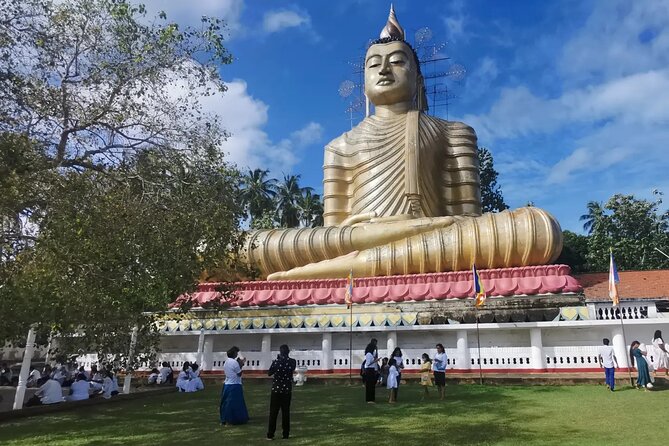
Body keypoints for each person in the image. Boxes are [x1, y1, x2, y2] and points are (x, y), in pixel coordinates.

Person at [244, 6, 562, 281]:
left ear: (418, 78)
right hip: (356, 242)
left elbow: (468, 221)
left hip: (440, 240)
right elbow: (331, 237)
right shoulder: (339, 145)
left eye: (396, 61)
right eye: (373, 64)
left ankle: (342, 269)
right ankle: (346, 266)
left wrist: (424, 229)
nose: (383, 69)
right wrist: (373, 235)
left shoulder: (454, 132)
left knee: (535, 228)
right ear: (363, 82)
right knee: (238, 248)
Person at [267, 344, 297, 440]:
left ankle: (270, 434)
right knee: (285, 412)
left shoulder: (276, 362)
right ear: (288, 352)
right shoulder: (292, 362)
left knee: (273, 413)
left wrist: (278, 360)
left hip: (276, 390)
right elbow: (292, 369)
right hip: (286, 390)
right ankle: (285, 434)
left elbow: (269, 373)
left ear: (280, 352)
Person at [220, 346, 249, 425]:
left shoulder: (226, 362)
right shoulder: (234, 362)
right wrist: (241, 364)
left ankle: (224, 418)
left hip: (227, 384)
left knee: (226, 402)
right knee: (236, 403)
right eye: (236, 352)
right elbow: (239, 374)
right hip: (235, 384)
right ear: (234, 353)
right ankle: (235, 419)